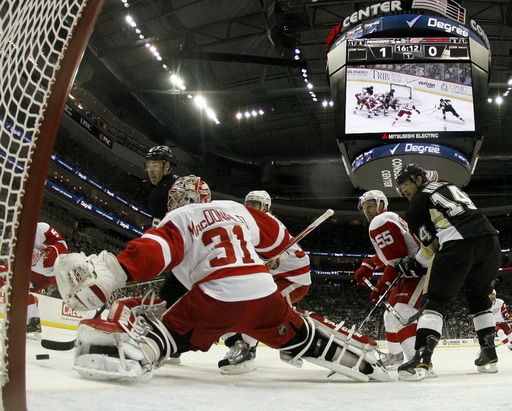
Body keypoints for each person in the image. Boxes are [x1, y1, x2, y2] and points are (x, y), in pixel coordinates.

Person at [54, 175, 390, 383]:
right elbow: (277, 237)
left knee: (167, 333)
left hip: (215, 297)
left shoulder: (179, 218)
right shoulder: (236, 209)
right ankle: (362, 360)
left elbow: (154, 251)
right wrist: (269, 256)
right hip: (263, 292)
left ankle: (135, 353)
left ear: (180, 200)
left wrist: (110, 276)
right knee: (301, 335)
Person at [395, 164, 501, 380]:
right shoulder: (448, 185)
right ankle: (489, 351)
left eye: (405, 184)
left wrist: (413, 265)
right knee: (479, 297)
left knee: (434, 299)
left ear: (418, 180)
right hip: (491, 242)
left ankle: (422, 356)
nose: (403, 190)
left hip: (459, 243)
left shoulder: (416, 204)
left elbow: (431, 248)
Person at [219, 190, 312, 374]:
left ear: (266, 207)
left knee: (257, 309)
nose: (250, 207)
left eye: (255, 204)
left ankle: (247, 351)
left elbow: (278, 254)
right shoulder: (248, 224)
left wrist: (272, 259)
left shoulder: (270, 223)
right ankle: (242, 346)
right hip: (274, 278)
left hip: (294, 279)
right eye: (248, 203)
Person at [354, 190, 428, 371]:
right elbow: (391, 253)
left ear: (381, 204)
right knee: (389, 316)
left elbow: (397, 258)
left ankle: (418, 361)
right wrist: (370, 265)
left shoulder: (380, 221)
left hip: (419, 270)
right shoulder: (389, 218)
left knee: (401, 312)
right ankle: (396, 355)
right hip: (412, 268)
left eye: (370, 206)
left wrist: (382, 284)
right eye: (364, 208)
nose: (367, 211)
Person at [145, 145, 186, 364]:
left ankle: (171, 345)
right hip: (182, 254)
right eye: (148, 166)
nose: (150, 170)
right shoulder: (162, 189)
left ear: (167, 166)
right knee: (171, 295)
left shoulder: (172, 188)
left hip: (186, 253)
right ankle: (173, 346)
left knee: (170, 295)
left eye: (155, 165)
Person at [0, 222, 68, 333]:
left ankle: (95, 319)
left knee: (74, 297)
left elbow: (61, 243)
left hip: (55, 271)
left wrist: (54, 251)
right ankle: (34, 320)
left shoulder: (41, 228)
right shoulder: (16, 243)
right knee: (16, 287)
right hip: (35, 274)